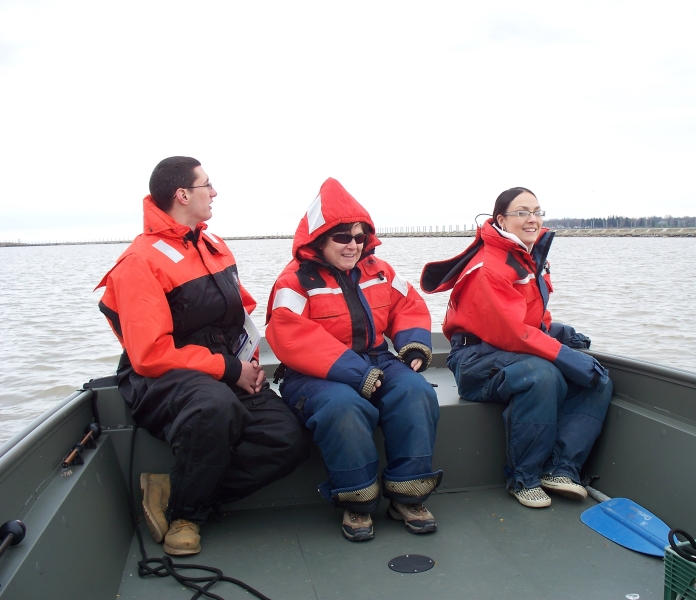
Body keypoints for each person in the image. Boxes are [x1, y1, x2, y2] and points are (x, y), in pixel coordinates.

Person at [96, 156, 309, 555]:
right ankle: (186, 514)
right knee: (215, 405)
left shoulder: (214, 246)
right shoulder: (139, 263)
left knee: (288, 439)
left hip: (225, 368)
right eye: (206, 185)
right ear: (181, 194)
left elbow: (240, 312)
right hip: (161, 378)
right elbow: (149, 354)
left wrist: (250, 363)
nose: (214, 192)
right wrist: (230, 370)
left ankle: (174, 488)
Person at [265, 177, 441, 542]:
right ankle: (357, 503)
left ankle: (407, 497)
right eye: (342, 237)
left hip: (376, 359)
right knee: (342, 407)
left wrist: (411, 345)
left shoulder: (380, 270)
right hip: (314, 373)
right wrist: (356, 372)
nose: (353, 245)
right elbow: (289, 335)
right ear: (320, 239)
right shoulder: (294, 282)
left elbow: (408, 306)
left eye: (360, 237)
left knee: (415, 392)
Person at [420, 187, 612, 508]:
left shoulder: (527, 257)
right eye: (522, 212)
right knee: (543, 375)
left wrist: (559, 333)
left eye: (537, 211)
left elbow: (530, 317)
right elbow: (510, 331)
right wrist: (563, 355)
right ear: (501, 220)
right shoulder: (489, 267)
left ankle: (561, 468)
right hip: (473, 361)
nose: (532, 219)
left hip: (509, 350)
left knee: (598, 379)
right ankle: (524, 477)